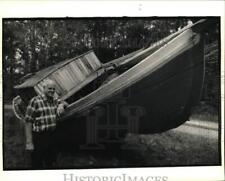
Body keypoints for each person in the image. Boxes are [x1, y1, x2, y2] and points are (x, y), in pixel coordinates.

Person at [24, 79, 68, 169]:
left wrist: (61, 105)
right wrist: (29, 142)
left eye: (53, 89)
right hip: (39, 138)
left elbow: (65, 103)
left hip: (52, 136)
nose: (52, 91)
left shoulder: (55, 100)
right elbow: (28, 121)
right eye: (49, 88)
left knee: (50, 162)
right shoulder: (35, 101)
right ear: (43, 88)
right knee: (37, 163)